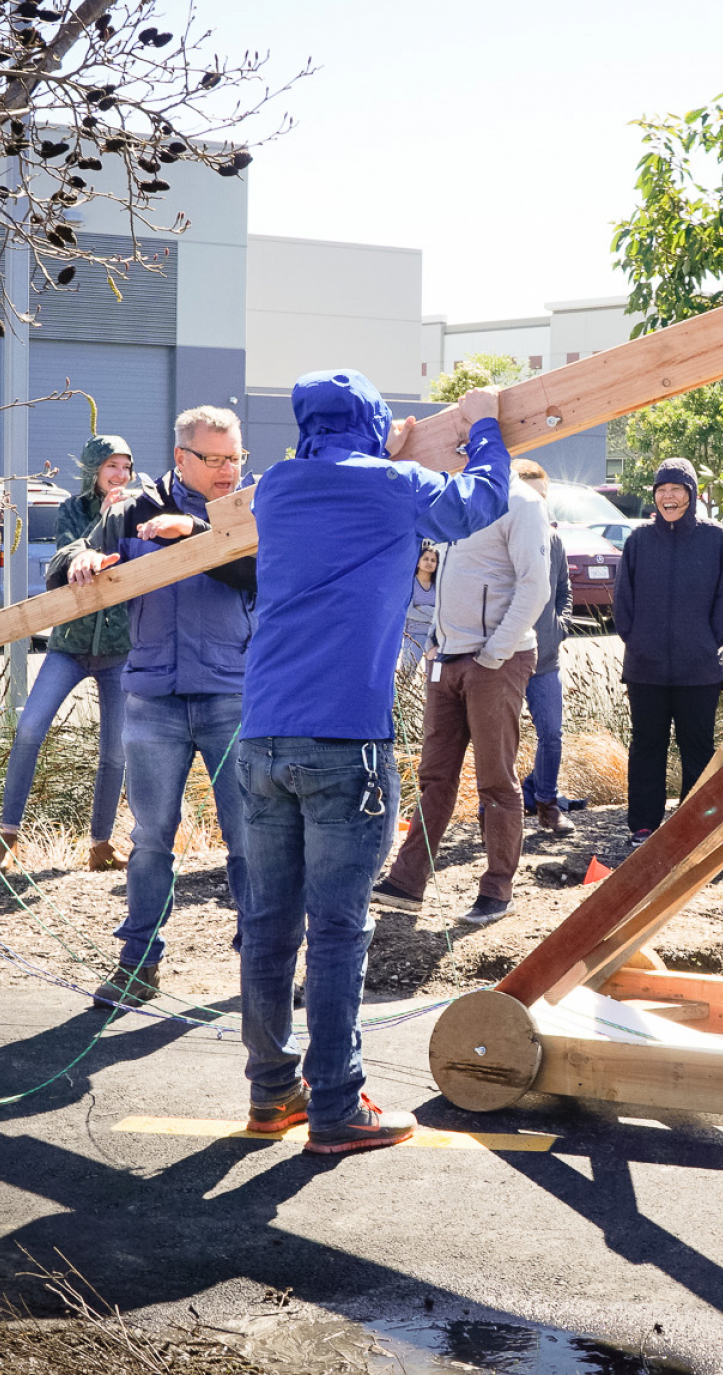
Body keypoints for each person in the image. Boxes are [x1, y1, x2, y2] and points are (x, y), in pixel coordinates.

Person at [235, 372, 511, 1156]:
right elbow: (482, 500)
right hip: (344, 740)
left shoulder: (277, 489)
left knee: (267, 926)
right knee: (337, 931)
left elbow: (337, 470)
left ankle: (271, 1094)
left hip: (261, 738)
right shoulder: (395, 486)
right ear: (377, 423)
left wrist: (376, 447)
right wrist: (484, 424)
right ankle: (337, 1106)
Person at [53, 404, 257, 1005]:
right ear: (181, 457)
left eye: (234, 458)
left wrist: (193, 533)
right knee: (149, 841)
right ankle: (138, 963)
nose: (228, 470)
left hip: (231, 694)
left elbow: (261, 575)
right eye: (214, 459)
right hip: (153, 699)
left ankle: (259, 962)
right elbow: (62, 563)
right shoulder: (132, 507)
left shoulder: (247, 510)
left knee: (248, 839)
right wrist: (81, 562)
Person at [372, 429, 553, 927]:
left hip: (495, 662)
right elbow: (447, 577)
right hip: (448, 660)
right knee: (435, 777)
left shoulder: (521, 502)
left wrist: (493, 654)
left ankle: (497, 890)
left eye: (464, 447)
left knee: (496, 780)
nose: (454, 457)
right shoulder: (457, 501)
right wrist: (435, 637)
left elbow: (535, 586)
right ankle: (407, 883)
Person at [0, 435, 135, 873]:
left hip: (119, 648)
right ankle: (7, 837)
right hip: (70, 645)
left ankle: (100, 845)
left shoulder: (137, 508)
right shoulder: (72, 509)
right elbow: (65, 557)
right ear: (93, 471)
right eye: (112, 467)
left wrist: (122, 512)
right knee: (31, 729)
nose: (120, 475)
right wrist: (93, 539)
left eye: (126, 467)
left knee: (116, 751)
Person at [614, 457, 723, 843]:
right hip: (645, 669)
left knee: (698, 750)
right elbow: (623, 600)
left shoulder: (714, 536)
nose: (668, 497)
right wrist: (637, 640)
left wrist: (709, 640)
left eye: (676, 489)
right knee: (646, 748)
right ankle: (643, 826)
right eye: (661, 490)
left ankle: (696, 828)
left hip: (699, 670)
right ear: (655, 497)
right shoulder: (639, 540)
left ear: (691, 493)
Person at [513, 459, 577, 836]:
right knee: (503, 738)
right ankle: (495, 808)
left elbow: (564, 593)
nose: (539, 505)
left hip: (546, 660)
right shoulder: (501, 536)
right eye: (532, 496)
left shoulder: (555, 541)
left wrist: (559, 628)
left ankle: (546, 803)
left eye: (544, 497)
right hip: (504, 659)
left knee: (551, 734)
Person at [403, 541, 439, 658]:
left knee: (435, 674)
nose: (429, 562)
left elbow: (442, 612)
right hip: (413, 636)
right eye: (426, 559)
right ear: (418, 562)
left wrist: (422, 608)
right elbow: (409, 612)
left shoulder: (438, 586)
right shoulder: (411, 583)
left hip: (434, 638)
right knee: (408, 674)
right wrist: (432, 618)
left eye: (433, 560)